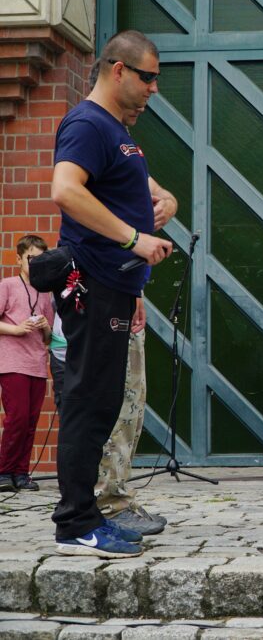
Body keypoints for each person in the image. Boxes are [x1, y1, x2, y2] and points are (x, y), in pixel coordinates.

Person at [49, 29, 175, 558]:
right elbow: (65, 189)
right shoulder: (86, 123)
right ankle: (76, 522)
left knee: (103, 403)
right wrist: (134, 237)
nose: (153, 88)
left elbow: (130, 190)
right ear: (117, 69)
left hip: (117, 287)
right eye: (147, 77)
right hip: (93, 285)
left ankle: (91, 514)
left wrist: (161, 198)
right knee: (89, 402)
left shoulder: (118, 132)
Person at [49, 300, 167, 535]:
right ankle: (108, 503)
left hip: (116, 310)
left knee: (130, 412)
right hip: (101, 317)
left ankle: (116, 495)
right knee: (114, 416)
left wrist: (136, 293)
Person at [0, 235, 55, 492]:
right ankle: (4, 471)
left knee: (31, 419)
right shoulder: (8, 285)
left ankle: (21, 472)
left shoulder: (45, 291)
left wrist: (45, 328)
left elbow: (48, 339)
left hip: (36, 363)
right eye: (31, 258)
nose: (35, 263)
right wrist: (16, 329)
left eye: (40, 258)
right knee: (17, 418)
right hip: (13, 362)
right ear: (19, 258)